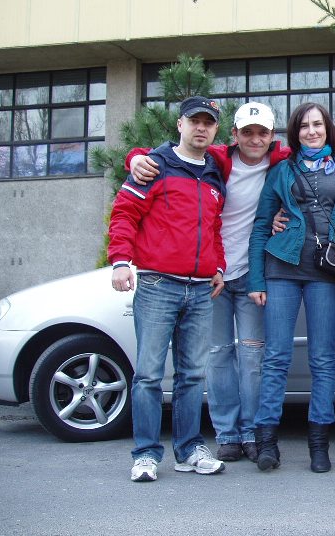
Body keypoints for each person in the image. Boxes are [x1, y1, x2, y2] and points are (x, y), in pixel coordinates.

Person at [127, 102, 289, 464]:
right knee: (217, 357)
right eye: (247, 132)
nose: (255, 139)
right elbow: (165, 155)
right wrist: (134, 157)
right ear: (234, 135)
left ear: (272, 137)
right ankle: (227, 434)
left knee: (252, 358)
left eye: (262, 133)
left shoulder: (280, 162)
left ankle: (251, 433)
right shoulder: (215, 159)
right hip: (211, 276)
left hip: (251, 275)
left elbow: (321, 146)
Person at [109, 96, 228, 482]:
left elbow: (213, 228)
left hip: (200, 291)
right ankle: (145, 454)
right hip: (158, 286)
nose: (201, 128)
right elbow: (125, 213)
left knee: (192, 375)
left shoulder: (214, 174)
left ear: (215, 129)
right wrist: (121, 260)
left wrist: (218, 266)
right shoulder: (153, 166)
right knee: (148, 375)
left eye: (208, 123)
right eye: (194, 121)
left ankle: (189, 449)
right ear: (180, 124)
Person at [248, 102, 335, 473]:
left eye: (317, 124)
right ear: (295, 132)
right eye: (304, 126)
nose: (312, 131)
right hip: (282, 268)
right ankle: (267, 442)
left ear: (327, 128)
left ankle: (319, 444)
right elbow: (261, 225)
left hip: (326, 272)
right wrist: (256, 279)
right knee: (276, 357)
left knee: (322, 358)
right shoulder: (281, 170)